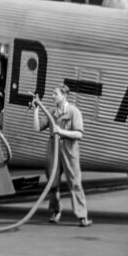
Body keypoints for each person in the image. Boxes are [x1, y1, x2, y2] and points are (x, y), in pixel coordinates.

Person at [32, 85, 92, 227]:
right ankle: (55, 211)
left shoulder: (73, 111)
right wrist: (36, 109)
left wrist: (62, 132)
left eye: (55, 94)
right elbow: (36, 127)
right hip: (53, 147)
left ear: (64, 95)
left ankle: (82, 216)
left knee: (75, 182)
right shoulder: (52, 112)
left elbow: (79, 134)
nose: (53, 96)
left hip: (69, 148)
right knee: (53, 183)